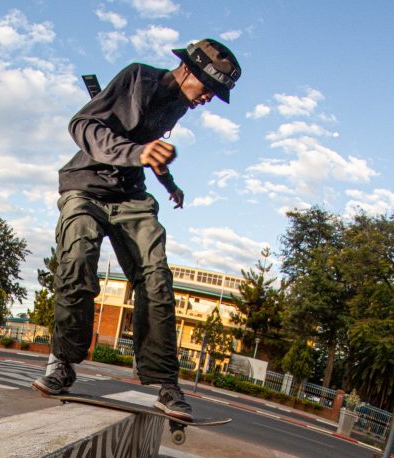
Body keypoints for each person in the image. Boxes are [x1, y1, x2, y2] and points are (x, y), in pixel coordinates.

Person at [32, 38, 241, 421]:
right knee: (77, 258)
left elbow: (147, 148)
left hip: (131, 197)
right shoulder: (137, 77)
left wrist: (168, 183)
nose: (208, 98)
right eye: (208, 88)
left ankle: (166, 384)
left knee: (156, 279)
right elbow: (82, 124)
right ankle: (62, 362)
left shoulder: (178, 105)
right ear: (188, 70)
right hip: (87, 187)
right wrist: (137, 154)